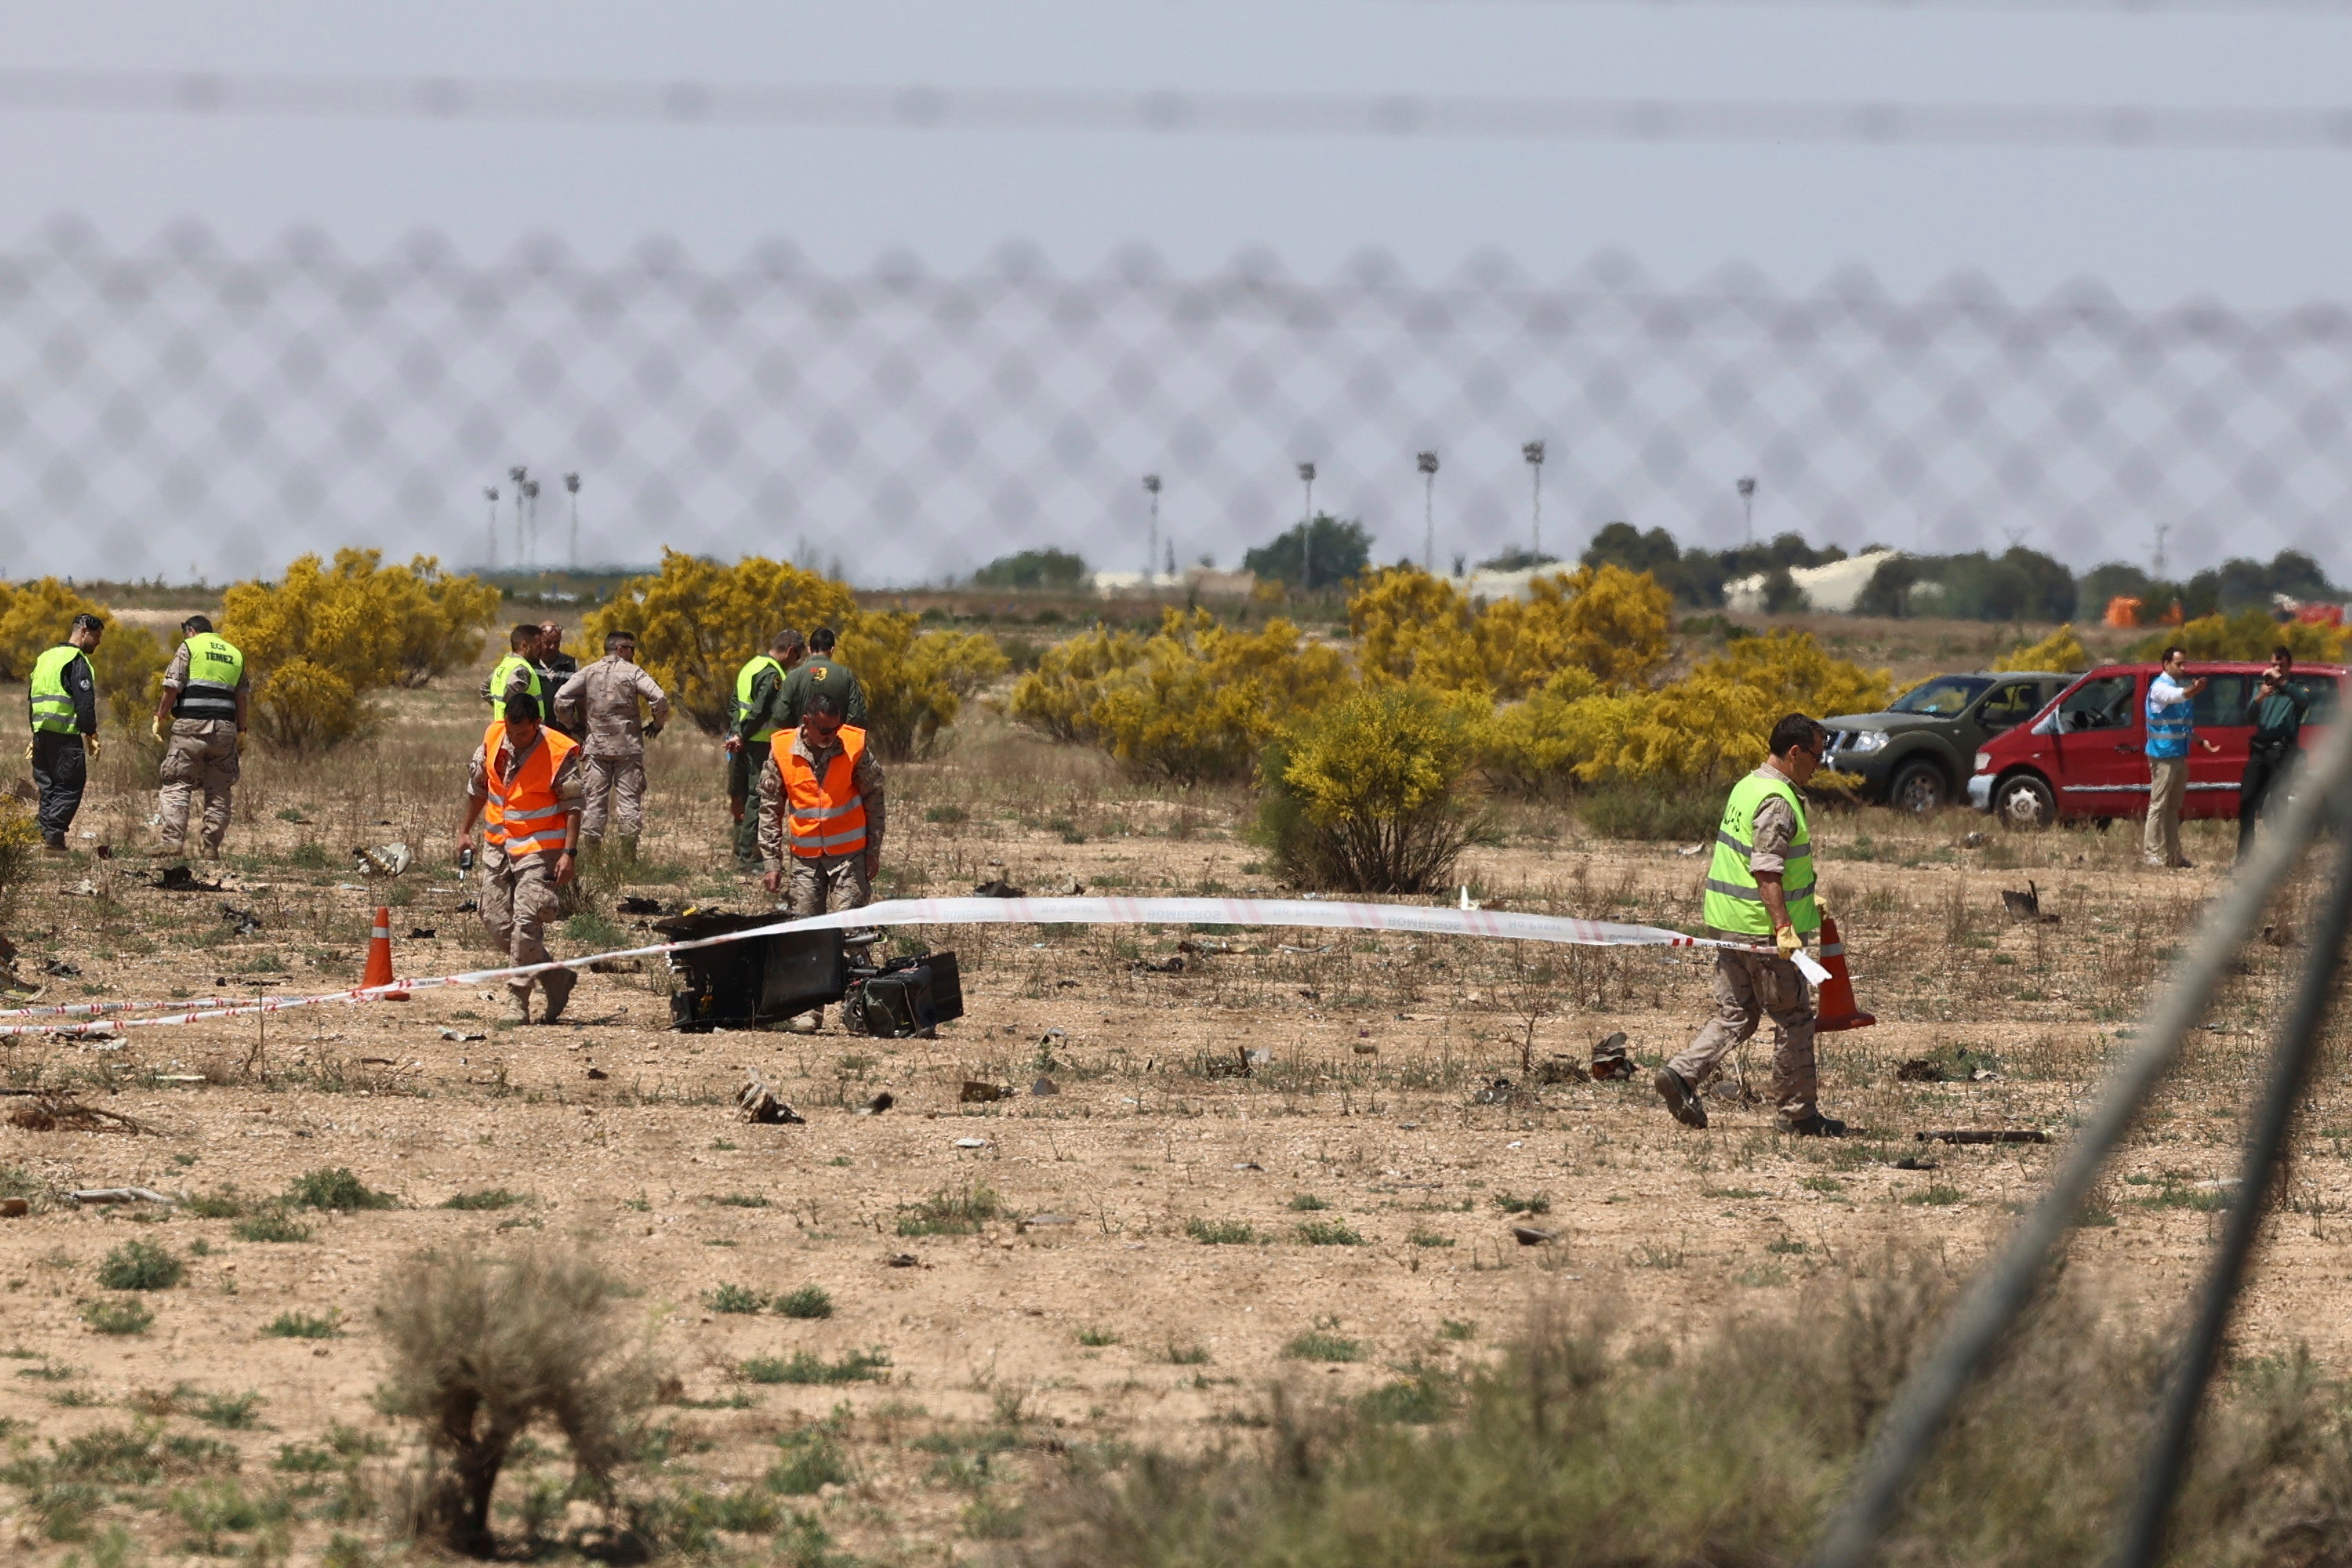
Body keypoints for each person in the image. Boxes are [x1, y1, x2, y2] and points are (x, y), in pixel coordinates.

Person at [1655, 713, 1845, 1137]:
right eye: (1816, 756)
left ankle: (1681, 1073)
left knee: (1738, 1013)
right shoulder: (1778, 800)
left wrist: (1803, 895)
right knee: (1794, 1017)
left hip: (1730, 924)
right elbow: (1766, 870)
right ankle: (1798, 1116)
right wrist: (1783, 925)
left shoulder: (1748, 785)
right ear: (1795, 753)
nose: (1820, 765)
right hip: (1763, 932)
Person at [454, 693, 584, 1023]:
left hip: (541, 848)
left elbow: (573, 806)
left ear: (537, 724)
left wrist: (569, 854)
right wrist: (464, 831)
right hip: (499, 843)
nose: (515, 740)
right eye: (512, 733)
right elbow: (478, 788)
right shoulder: (494, 736)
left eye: (523, 734)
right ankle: (555, 977)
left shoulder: (559, 751)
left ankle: (517, 1000)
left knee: (527, 921)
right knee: (496, 921)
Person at [761, 689, 885, 1033]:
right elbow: (770, 808)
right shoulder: (783, 750)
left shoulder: (854, 746)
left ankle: (861, 1011)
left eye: (836, 729)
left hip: (849, 856)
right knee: (806, 934)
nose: (832, 736)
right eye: (824, 731)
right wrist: (771, 862)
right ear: (807, 723)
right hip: (805, 860)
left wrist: (873, 850)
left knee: (853, 934)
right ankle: (808, 1011)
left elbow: (875, 797)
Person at [553, 630, 670, 854]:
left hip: (596, 748)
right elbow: (659, 697)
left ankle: (593, 854)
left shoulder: (589, 672)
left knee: (594, 802)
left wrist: (570, 724)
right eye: (631, 649)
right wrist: (657, 723)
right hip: (628, 748)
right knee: (629, 803)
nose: (634, 654)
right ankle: (628, 856)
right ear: (621, 649)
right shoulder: (634, 673)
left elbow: (560, 698)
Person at [150, 614, 249, 860]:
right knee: (219, 788)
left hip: (190, 727)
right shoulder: (234, 653)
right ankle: (211, 848)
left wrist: (160, 716)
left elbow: (173, 685)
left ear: (191, 631)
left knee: (177, 782)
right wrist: (242, 730)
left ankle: (173, 842)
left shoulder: (190, 646)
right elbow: (242, 697)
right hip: (225, 730)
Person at [724, 629, 805, 867]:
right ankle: (750, 857)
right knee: (757, 797)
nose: (795, 663)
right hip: (758, 743)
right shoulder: (774, 674)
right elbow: (760, 711)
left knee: (742, 794)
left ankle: (740, 852)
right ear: (790, 651)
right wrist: (743, 734)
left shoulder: (751, 665)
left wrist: (736, 732)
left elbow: (733, 705)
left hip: (741, 741)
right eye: (797, 657)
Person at [26, 613, 103, 854]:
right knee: (70, 785)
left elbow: (32, 698)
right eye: (97, 637)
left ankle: (49, 837)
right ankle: (54, 837)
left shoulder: (46, 658)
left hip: (41, 734)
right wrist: (90, 732)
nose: (98, 643)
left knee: (48, 786)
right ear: (84, 632)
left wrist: (34, 732)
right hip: (65, 735)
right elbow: (84, 702)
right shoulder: (76, 660)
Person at [2144, 645, 2217, 870]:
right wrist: (2194, 690)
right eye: (2179, 664)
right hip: (2163, 756)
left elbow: (2182, 724)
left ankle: (2174, 856)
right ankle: (2151, 855)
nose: (2183, 667)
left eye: (2185, 663)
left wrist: (2200, 741)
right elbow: (2176, 697)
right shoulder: (2160, 688)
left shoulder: (2176, 687)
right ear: (2166, 664)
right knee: (2158, 806)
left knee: (2173, 809)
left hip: (2178, 755)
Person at [2239, 645, 2310, 860]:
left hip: (2282, 751)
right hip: (2260, 750)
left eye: (2281, 664)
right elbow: (2249, 717)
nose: (2276, 668)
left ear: (2289, 665)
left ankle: (2282, 856)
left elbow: (2303, 701)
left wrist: (2281, 682)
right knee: (2247, 801)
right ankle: (2244, 855)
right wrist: (2259, 697)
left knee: (2279, 803)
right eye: (2273, 664)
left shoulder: (2298, 689)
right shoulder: (2263, 689)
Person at [777, 625, 868, 728]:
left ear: (809, 649)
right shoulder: (846, 675)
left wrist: (799, 733)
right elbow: (857, 715)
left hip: (803, 741)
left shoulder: (793, 676)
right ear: (832, 650)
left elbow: (781, 715)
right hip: (835, 740)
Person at [480, 624, 545, 716]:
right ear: (524, 645)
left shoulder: (505, 664)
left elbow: (485, 688)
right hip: (522, 730)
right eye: (538, 646)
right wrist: (516, 717)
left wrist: (500, 706)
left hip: (502, 728)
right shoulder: (522, 669)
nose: (542, 650)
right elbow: (511, 690)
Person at [536, 623, 580, 736]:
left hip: (563, 732)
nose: (553, 647)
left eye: (556, 642)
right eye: (548, 643)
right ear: (538, 641)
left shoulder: (570, 664)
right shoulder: (529, 664)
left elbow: (580, 698)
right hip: (535, 731)